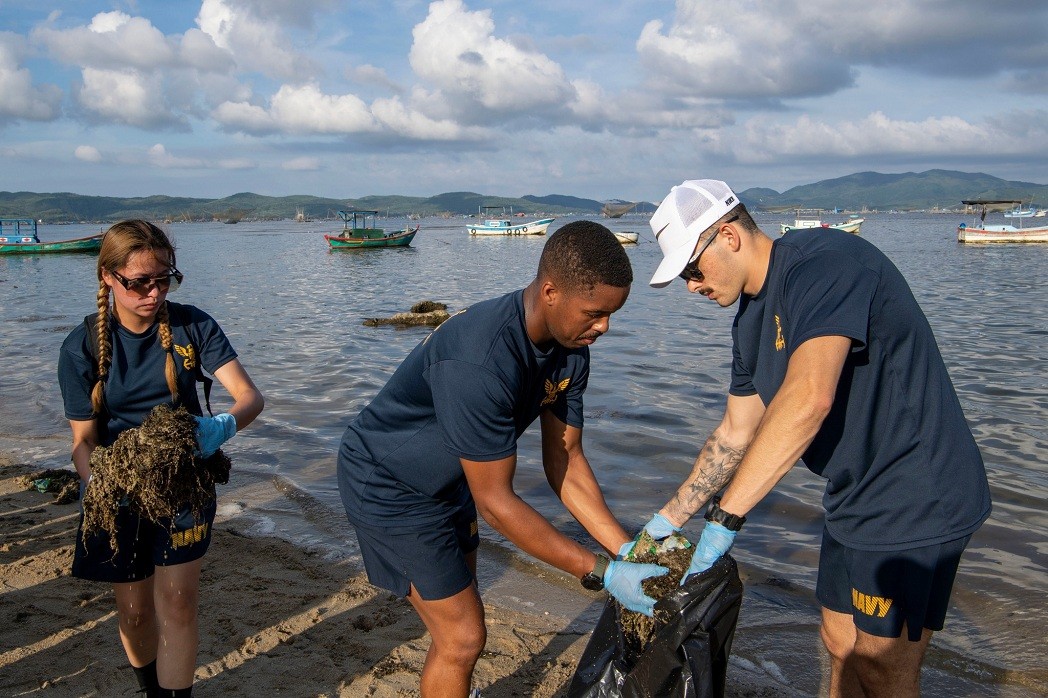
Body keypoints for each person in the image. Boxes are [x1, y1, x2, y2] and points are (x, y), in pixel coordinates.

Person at [639, 180, 990, 698]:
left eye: (693, 268)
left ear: (729, 236)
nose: (692, 286)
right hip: (853, 495)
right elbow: (736, 433)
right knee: (837, 638)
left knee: (879, 661)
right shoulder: (747, 324)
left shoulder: (826, 264)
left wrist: (723, 522)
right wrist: (662, 523)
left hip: (917, 488)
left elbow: (809, 398)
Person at [336, 220, 669, 698]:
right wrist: (600, 571)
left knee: (463, 600)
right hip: (389, 484)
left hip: (454, 479)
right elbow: (495, 503)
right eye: (595, 313)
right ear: (551, 291)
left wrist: (626, 551)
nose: (605, 327)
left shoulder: (571, 347)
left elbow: (566, 460)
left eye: (613, 314)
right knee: (463, 636)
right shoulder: (482, 360)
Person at [58, 220, 264, 698]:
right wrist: (102, 486)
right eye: (138, 283)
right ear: (108, 277)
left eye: (163, 279)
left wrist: (221, 427)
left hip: (185, 481)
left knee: (178, 602)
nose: (153, 293)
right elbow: (83, 442)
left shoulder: (194, 325)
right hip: (118, 489)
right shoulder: (82, 346)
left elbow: (250, 396)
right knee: (134, 611)